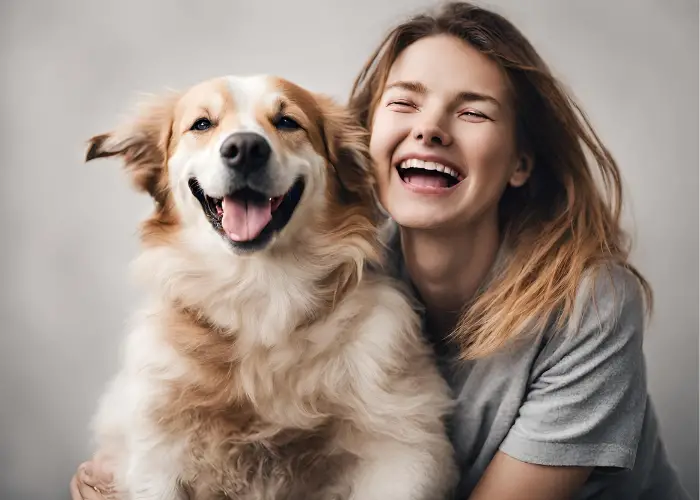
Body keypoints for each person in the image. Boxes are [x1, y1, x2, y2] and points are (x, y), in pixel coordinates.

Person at [71, 2, 691, 499]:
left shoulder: (587, 301)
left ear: (522, 162)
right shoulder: (344, 264)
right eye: (405, 102)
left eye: (472, 112)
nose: (430, 128)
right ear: (364, 156)